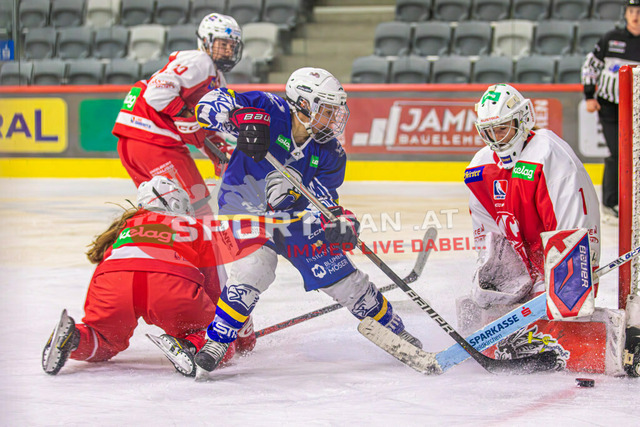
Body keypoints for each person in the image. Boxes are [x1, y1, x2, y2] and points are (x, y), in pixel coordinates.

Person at [190, 67, 423, 372]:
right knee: (254, 268)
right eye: (327, 110)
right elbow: (206, 106)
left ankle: (396, 332)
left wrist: (341, 220)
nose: (334, 118)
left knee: (345, 280)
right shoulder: (267, 107)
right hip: (244, 209)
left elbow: (323, 199)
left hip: (295, 217)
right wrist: (238, 120)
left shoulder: (331, 153)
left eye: (336, 111)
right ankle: (217, 341)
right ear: (302, 103)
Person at [41, 176, 256, 378]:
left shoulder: (126, 226)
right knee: (217, 341)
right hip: (169, 287)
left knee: (103, 338)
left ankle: (74, 339)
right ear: (177, 203)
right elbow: (222, 291)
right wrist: (241, 338)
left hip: (113, 286)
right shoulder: (198, 228)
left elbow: (107, 267)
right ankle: (189, 347)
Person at [460, 84, 601, 325]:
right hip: (524, 266)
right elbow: (488, 235)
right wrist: (494, 278)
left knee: (563, 313)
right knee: (482, 304)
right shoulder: (479, 167)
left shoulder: (548, 153)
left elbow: (572, 222)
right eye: (489, 131)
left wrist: (570, 286)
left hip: (556, 264)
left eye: (502, 128)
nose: (497, 138)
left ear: (522, 119)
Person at [113, 13, 243, 217]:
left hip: (135, 141)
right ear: (206, 41)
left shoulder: (216, 78)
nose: (228, 50)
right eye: (223, 44)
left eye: (232, 46)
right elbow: (156, 92)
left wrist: (219, 154)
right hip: (155, 139)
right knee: (197, 209)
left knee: (161, 209)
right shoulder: (201, 61)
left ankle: (146, 238)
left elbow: (206, 129)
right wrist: (184, 113)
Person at [582, 0, 640, 220]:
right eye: (631, 11)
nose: (635, 16)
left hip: (637, 108)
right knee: (617, 152)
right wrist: (589, 95)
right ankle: (610, 202)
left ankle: (632, 201)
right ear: (625, 14)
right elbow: (590, 66)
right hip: (610, 107)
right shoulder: (610, 38)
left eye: (639, 12)